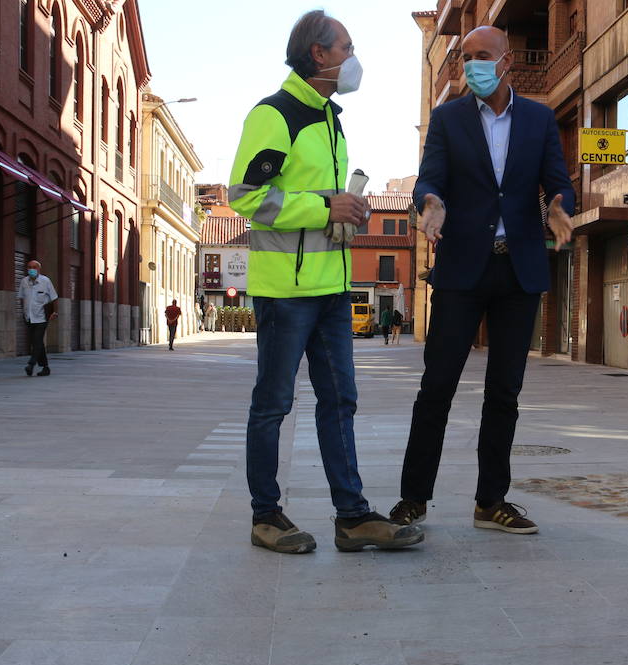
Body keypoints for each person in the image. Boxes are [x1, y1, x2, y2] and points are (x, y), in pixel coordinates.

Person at [228, 9, 424, 554]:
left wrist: (346, 209)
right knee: (273, 404)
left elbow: (313, 201)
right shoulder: (276, 114)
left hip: (332, 290)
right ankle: (266, 516)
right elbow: (243, 196)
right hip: (286, 294)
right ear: (319, 54)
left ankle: (353, 516)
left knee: (340, 402)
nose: (351, 59)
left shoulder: (329, 119)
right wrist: (323, 204)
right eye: (345, 48)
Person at [388, 26, 574, 535]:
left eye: (483, 56)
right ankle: (413, 500)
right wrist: (428, 201)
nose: (473, 64)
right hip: (462, 271)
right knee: (436, 388)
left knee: (504, 392)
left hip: (518, 269)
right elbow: (430, 177)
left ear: (507, 60)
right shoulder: (448, 118)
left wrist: (559, 206)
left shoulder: (538, 118)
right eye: (467, 56)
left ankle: (491, 501)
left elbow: (558, 180)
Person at [18, 259, 58, 377]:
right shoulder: (24, 281)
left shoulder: (45, 281)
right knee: (37, 342)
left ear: (39, 269)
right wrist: (23, 312)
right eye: (29, 267)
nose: (31, 269)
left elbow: (54, 297)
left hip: (41, 318)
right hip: (29, 317)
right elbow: (21, 297)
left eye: (34, 267)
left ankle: (31, 364)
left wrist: (54, 312)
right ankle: (45, 368)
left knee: (37, 341)